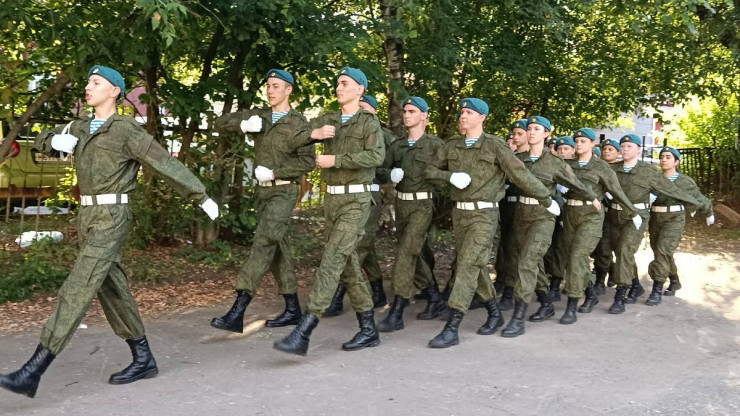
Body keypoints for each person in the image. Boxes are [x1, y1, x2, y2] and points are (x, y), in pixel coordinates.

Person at [0, 65, 219, 398]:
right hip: (86, 214)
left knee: (78, 285)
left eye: (96, 82)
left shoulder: (126, 130)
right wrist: (54, 141)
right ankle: (143, 358)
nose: (88, 87)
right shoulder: (81, 126)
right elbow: (42, 141)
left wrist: (199, 194)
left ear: (115, 91)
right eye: (88, 81)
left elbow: (164, 162)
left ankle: (34, 369)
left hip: (112, 215)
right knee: (110, 285)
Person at [424, 100, 557, 348]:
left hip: (484, 215)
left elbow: (520, 173)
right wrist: (449, 176)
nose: (463, 116)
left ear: (482, 117)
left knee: (467, 265)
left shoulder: (494, 145)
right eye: (462, 112)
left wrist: (545, 198)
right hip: (460, 215)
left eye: (469, 112)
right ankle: (494, 313)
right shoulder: (452, 144)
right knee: (476, 265)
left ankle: (452, 326)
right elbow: (429, 171)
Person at [273, 67, 385, 356]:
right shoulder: (329, 119)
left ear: (359, 89)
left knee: (332, 259)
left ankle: (306, 328)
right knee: (347, 265)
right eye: (337, 83)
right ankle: (369, 328)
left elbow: (376, 156)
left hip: (356, 201)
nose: (339, 87)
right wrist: (314, 133)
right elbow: (292, 140)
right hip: (332, 201)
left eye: (345, 83)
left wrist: (337, 160)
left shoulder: (368, 123)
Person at [209, 69, 315, 333]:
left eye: (276, 86)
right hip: (262, 193)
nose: (270, 90)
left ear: (288, 90)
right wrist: (242, 125)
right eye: (268, 86)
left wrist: (276, 173)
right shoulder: (260, 116)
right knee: (278, 247)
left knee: (264, 241)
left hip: (284, 190)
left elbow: (308, 162)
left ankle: (238, 310)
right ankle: (293, 309)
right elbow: (218, 123)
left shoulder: (299, 123)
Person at [501, 116, 597, 337]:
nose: (532, 132)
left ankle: (518, 317)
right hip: (521, 215)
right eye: (530, 128)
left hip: (543, 217)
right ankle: (546, 302)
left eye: (537, 129)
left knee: (527, 262)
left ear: (546, 134)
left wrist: (593, 198)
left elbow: (576, 183)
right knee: (532, 263)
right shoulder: (518, 159)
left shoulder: (554, 162)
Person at [375, 96, 447, 332]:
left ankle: (397, 310)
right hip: (402, 206)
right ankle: (435, 297)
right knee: (412, 252)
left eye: (412, 111)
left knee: (405, 255)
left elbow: (448, 173)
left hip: (423, 206)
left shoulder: (436, 145)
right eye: (405, 111)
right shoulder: (397, 145)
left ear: (424, 116)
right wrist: (389, 175)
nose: (406, 115)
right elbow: (381, 169)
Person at [605, 134, 700, 314]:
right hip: (615, 214)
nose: (625, 149)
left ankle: (620, 295)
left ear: (638, 150)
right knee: (621, 253)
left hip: (637, 216)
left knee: (626, 250)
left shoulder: (648, 171)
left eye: (629, 146)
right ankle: (635, 284)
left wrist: (700, 204)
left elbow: (671, 189)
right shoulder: (612, 169)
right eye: (623, 146)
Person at [560, 128, 639, 324]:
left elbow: (617, 192)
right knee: (573, 258)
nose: (578, 144)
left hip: (591, 216)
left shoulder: (602, 167)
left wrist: (633, 212)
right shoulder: (567, 165)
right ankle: (590, 293)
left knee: (579, 255)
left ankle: (571, 305)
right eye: (576, 141)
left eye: (583, 141)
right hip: (570, 214)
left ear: (593, 144)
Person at [324, 94, 392, 316]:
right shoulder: (344, 128)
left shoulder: (385, 136)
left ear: (373, 111)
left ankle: (338, 294)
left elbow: (387, 164)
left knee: (357, 245)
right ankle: (377, 289)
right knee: (363, 244)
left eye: (364, 108)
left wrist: (389, 174)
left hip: (369, 196)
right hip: (348, 196)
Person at [646, 147, 714, 304]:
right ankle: (674, 280)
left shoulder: (684, 181)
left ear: (676, 162)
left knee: (663, 251)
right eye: (662, 156)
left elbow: (698, 198)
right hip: (656, 217)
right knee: (660, 251)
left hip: (674, 218)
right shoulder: (654, 179)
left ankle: (656, 290)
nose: (664, 159)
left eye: (668, 157)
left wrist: (709, 212)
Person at [495, 119, 529, 311]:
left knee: (516, 250)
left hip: (523, 208)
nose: (515, 138)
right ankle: (504, 282)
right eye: (513, 134)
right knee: (506, 247)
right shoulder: (508, 156)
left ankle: (511, 290)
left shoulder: (531, 158)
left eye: (519, 134)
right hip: (505, 206)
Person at [591, 138, 622, 292]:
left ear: (618, 152)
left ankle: (606, 275)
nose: (606, 152)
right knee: (598, 248)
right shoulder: (596, 167)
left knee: (613, 247)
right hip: (596, 213)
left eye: (611, 149)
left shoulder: (620, 169)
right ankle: (604, 275)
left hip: (614, 214)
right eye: (604, 149)